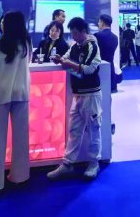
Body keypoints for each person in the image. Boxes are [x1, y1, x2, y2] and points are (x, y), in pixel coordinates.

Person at [48, 17, 102, 181]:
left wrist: (67, 63)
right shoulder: (74, 46)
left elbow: (89, 69)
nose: (73, 37)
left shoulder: (92, 46)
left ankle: (94, 163)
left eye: (76, 34)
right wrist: (61, 60)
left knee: (93, 130)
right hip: (77, 93)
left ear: (83, 31)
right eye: (72, 34)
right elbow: (66, 59)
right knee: (74, 130)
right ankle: (67, 163)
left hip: (91, 94)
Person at [0, 11, 32, 191]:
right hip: (22, 92)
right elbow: (29, 62)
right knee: (21, 137)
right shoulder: (26, 43)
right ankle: (20, 176)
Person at [94, 14, 119, 93]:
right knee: (109, 94)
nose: (98, 24)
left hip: (99, 68)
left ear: (102, 22)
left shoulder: (97, 36)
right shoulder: (115, 37)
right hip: (111, 68)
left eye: (99, 22)